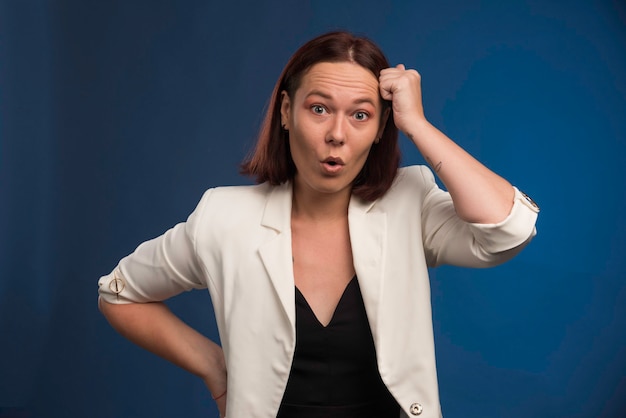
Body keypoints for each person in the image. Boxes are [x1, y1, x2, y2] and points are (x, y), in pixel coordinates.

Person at [98, 31, 539, 418]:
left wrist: (416, 124)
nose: (337, 134)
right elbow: (119, 293)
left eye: (361, 115)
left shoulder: (411, 204)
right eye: (319, 109)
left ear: (382, 128)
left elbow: (509, 229)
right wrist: (214, 366)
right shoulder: (224, 218)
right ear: (287, 112)